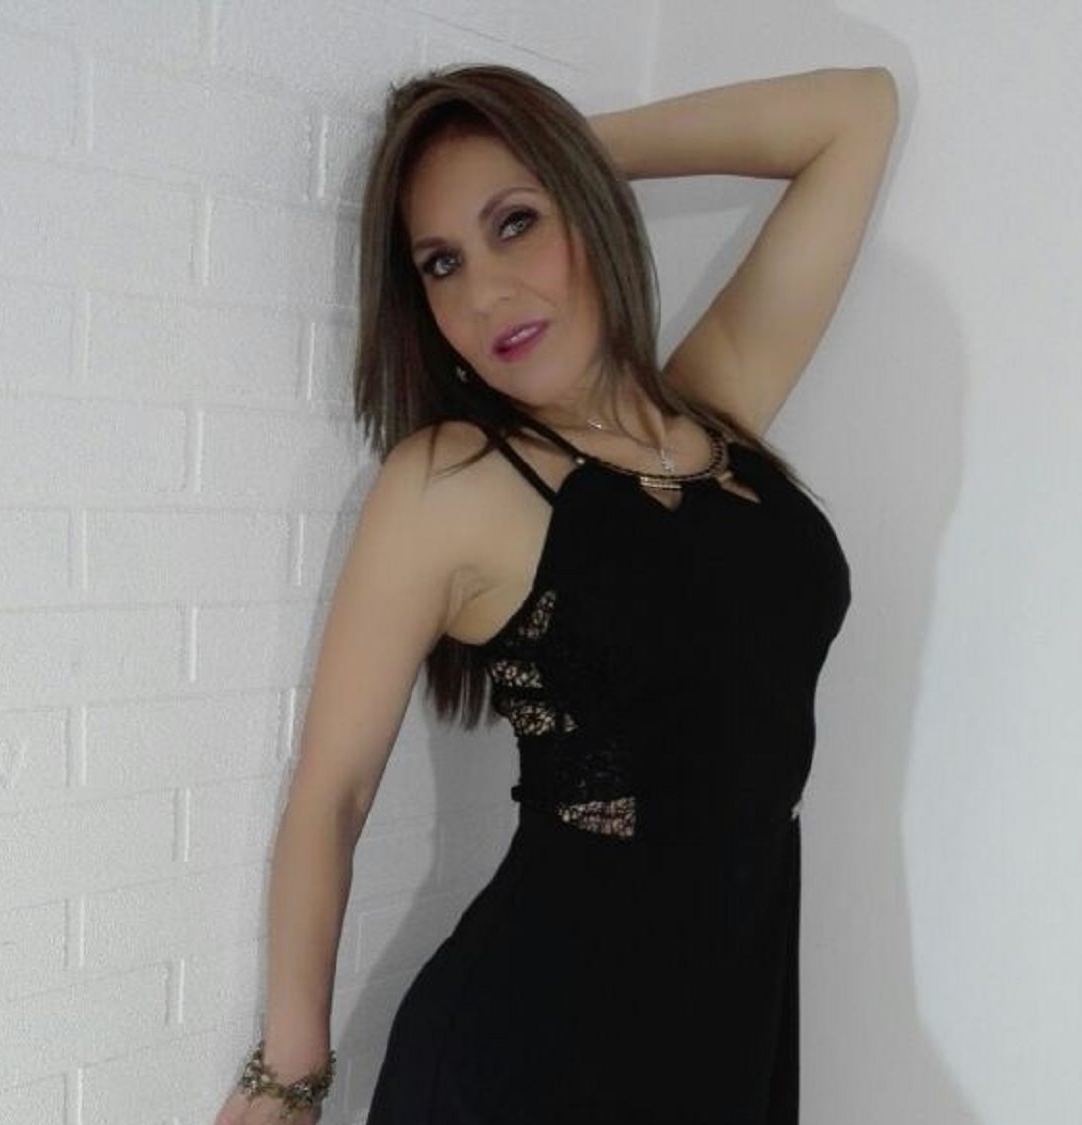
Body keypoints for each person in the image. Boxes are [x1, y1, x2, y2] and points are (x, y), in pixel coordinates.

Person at [215, 61, 897, 1124]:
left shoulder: (715, 408)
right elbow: (332, 791)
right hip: (527, 1063)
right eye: (442, 262)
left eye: (516, 222)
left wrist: (568, 150)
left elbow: (856, 114)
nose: (485, 293)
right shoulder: (453, 481)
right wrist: (288, 1075)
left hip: (727, 1029)